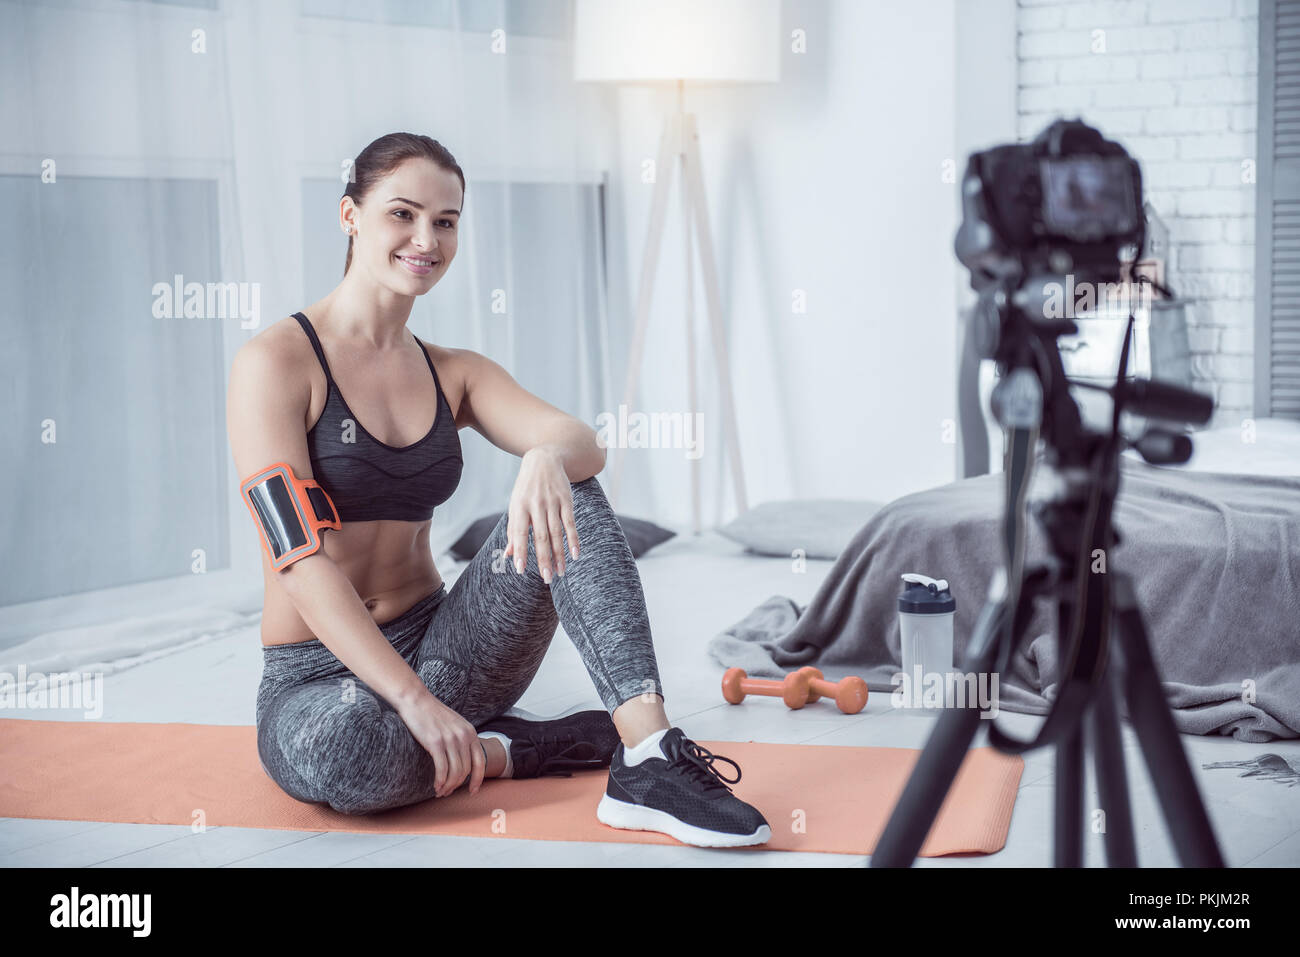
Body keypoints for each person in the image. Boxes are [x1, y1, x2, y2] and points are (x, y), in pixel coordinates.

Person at [226, 131, 770, 848]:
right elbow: (298, 563)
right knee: (346, 751)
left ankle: (647, 756)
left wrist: (545, 455)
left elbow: (584, 440)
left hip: (449, 648)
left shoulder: (454, 371)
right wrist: (412, 700)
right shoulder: (276, 362)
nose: (426, 238)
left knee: (570, 489)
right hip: (316, 681)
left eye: (446, 221)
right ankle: (511, 750)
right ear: (350, 215)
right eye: (403, 213)